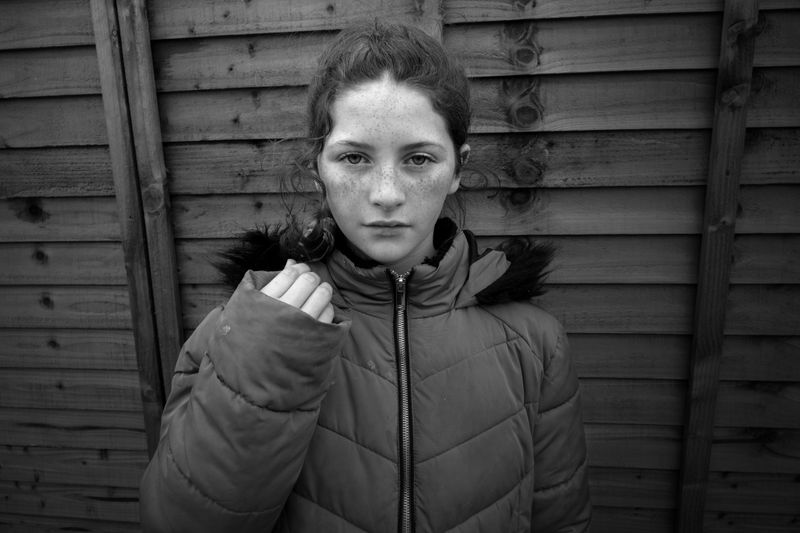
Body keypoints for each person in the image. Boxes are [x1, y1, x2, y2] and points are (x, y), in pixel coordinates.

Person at [140, 20, 591, 533]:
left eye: (418, 159)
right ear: (318, 169)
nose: (386, 194)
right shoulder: (243, 330)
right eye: (354, 158)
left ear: (458, 168)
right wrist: (260, 375)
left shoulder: (534, 341)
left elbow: (561, 517)